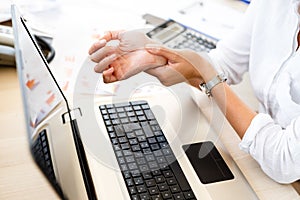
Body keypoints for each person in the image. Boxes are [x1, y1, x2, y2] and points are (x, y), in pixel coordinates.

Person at [88, 0, 300, 184]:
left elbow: (284, 160)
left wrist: (207, 74)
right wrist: (155, 53)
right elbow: (225, 62)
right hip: (259, 155)